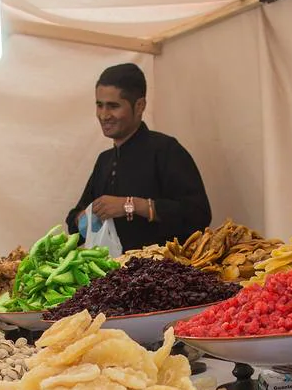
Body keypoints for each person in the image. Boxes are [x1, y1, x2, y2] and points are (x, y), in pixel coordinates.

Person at [65, 62, 212, 251]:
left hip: (161, 275)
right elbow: (74, 224)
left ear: (140, 105)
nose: (103, 115)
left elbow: (198, 215)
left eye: (113, 106)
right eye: (99, 105)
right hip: (111, 275)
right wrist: (85, 218)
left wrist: (133, 205)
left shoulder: (166, 150)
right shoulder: (105, 160)